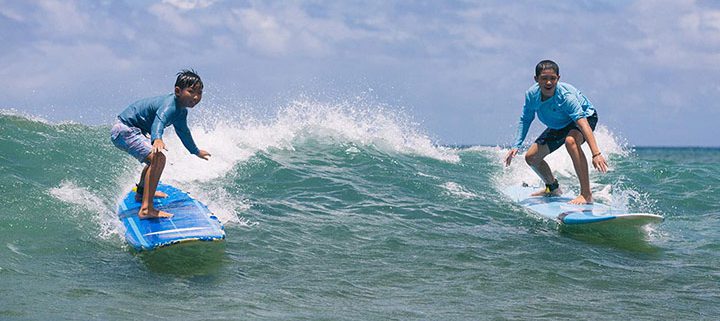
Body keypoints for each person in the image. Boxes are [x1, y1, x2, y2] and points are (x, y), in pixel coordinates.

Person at [504, 60, 608, 204]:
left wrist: (596, 153)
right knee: (531, 157)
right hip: (560, 123)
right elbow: (526, 119)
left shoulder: (566, 97)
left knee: (571, 141)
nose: (548, 83)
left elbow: (583, 124)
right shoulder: (531, 95)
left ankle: (586, 194)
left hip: (585, 117)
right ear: (536, 79)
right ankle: (552, 187)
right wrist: (516, 145)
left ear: (558, 78)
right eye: (544, 78)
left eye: (552, 78)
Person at [111, 69, 211, 219]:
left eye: (199, 93)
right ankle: (146, 209)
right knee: (158, 159)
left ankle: (141, 194)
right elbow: (159, 121)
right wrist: (157, 138)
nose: (196, 97)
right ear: (178, 91)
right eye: (191, 92)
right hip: (125, 130)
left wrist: (195, 151)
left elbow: (184, 132)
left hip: (128, 130)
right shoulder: (170, 105)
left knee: (153, 160)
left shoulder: (181, 111)